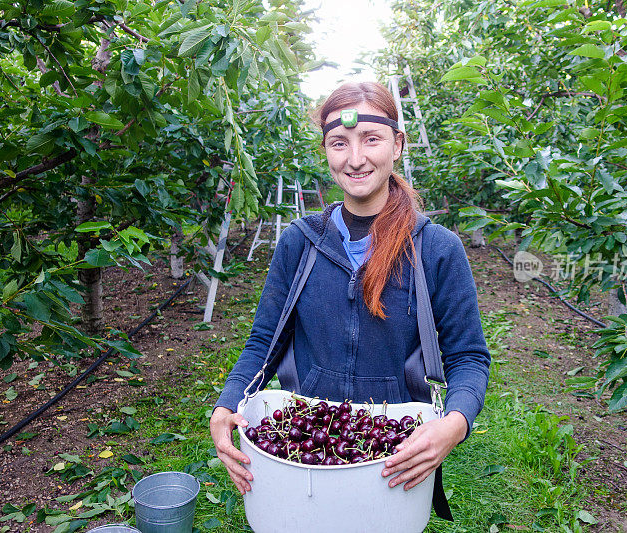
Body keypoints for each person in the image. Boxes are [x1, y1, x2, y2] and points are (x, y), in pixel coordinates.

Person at [210, 81, 490, 498]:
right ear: (326, 151)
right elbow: (265, 340)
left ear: (397, 145)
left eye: (370, 139)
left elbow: (468, 357)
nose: (355, 159)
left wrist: (455, 423)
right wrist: (228, 402)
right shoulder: (301, 242)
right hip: (308, 439)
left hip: (393, 451)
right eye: (339, 143)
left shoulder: (435, 249)